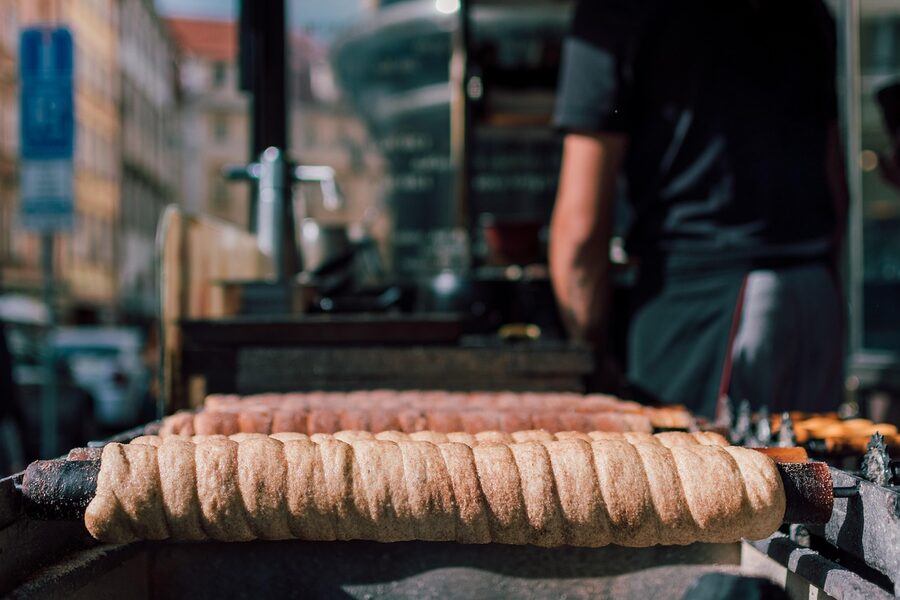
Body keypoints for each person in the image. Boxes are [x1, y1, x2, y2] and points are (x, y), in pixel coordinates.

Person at [550, 0, 848, 418]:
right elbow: (836, 184)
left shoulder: (611, 13)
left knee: (702, 479)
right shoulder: (807, 9)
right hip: (813, 295)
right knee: (822, 476)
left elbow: (579, 231)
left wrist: (591, 357)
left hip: (705, 311)